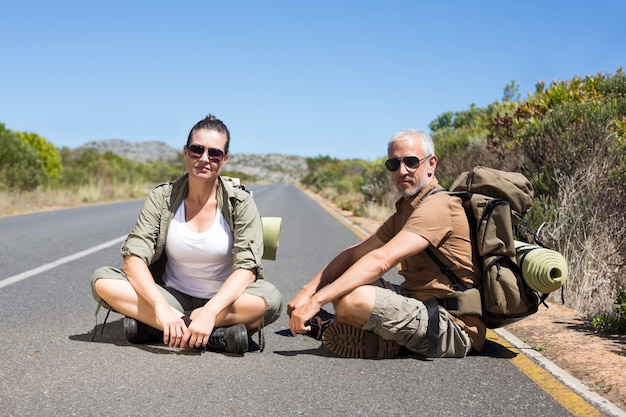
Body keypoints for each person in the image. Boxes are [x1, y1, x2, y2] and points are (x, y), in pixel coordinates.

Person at [91, 114, 283, 354]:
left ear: (224, 160)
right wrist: (160, 306)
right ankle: (214, 334)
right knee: (103, 281)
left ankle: (162, 328)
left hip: (225, 302)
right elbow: (134, 259)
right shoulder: (162, 198)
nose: (204, 158)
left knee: (269, 300)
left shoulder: (240, 203)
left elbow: (247, 270)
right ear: (185, 151)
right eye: (197, 150)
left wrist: (210, 311)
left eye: (214, 153)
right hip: (172, 297)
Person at [288, 129, 485, 358]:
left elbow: (381, 260)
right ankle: (372, 333)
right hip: (419, 303)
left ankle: (365, 335)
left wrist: (316, 301)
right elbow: (354, 254)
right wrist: (308, 291)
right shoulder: (409, 208)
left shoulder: (438, 207)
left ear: (431, 164)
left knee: (352, 299)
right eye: (394, 164)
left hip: (453, 325)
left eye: (411, 162)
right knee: (344, 286)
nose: (402, 171)